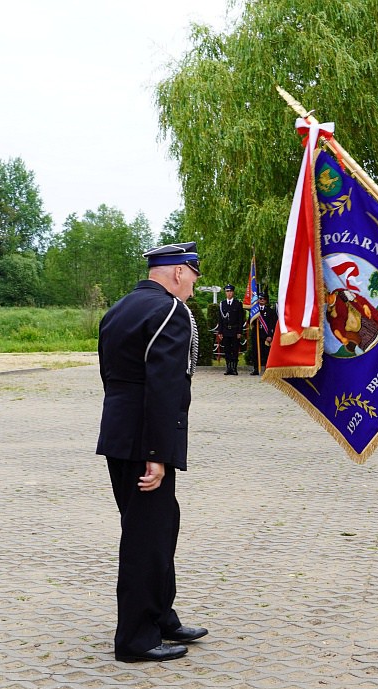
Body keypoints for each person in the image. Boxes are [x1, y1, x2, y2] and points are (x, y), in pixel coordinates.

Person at [96, 242, 209, 663]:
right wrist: (158, 454)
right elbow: (165, 388)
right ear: (178, 272)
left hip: (121, 434)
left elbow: (112, 375)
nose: (195, 289)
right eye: (193, 277)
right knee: (147, 538)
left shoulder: (121, 307)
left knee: (158, 528)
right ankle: (136, 638)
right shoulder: (171, 311)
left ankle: (161, 615)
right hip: (146, 442)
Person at [215, 284, 245, 375]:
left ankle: (234, 368)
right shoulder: (222, 304)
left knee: (235, 350)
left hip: (235, 330)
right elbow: (220, 319)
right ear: (225, 293)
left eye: (230, 291)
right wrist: (220, 331)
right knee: (227, 350)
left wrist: (240, 331)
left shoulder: (238, 303)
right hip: (225, 330)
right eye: (227, 291)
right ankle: (228, 368)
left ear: (233, 292)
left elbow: (240, 319)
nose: (229, 293)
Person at [248, 292, 277, 375]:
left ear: (266, 300)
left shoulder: (270, 311)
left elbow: (273, 324)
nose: (262, 300)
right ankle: (256, 368)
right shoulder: (254, 311)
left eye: (263, 299)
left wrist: (270, 335)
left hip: (266, 335)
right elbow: (249, 322)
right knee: (256, 352)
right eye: (260, 299)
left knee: (266, 352)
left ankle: (267, 369)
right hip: (256, 335)